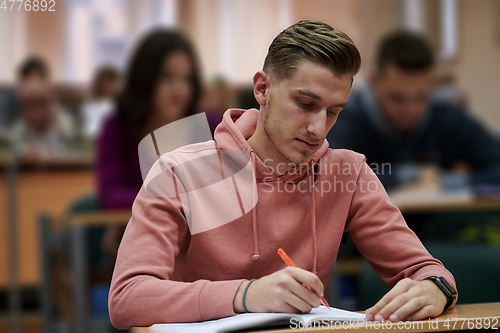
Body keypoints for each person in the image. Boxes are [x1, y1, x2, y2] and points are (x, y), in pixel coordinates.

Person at [109, 21, 457, 329]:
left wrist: (435, 288)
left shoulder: (348, 174)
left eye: (333, 111)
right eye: (305, 104)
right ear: (262, 89)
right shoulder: (177, 171)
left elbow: (428, 271)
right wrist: (245, 295)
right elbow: (126, 298)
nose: (319, 129)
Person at [326, 30, 500, 191]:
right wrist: (412, 175)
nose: (410, 110)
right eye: (397, 98)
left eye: (420, 97)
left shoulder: (447, 118)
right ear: (374, 82)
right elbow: (333, 179)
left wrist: (449, 183)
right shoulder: (344, 121)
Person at [96, 29, 201, 258]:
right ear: (145, 77)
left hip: (201, 251)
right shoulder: (117, 127)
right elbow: (110, 197)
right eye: (167, 77)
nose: (179, 89)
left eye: (187, 79)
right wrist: (179, 199)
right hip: (140, 248)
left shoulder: (209, 125)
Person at [80, 65, 121, 138]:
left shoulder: (118, 104)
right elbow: (81, 124)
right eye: (103, 82)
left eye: (109, 82)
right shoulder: (88, 104)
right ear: (98, 83)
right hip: (86, 139)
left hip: (107, 138)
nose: (105, 85)